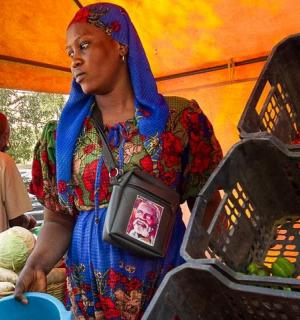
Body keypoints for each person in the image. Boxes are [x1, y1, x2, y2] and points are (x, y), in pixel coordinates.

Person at [14, 3, 222, 319]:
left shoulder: (179, 120)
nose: (75, 60)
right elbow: (58, 218)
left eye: (84, 45)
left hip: (164, 286)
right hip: (90, 295)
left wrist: (199, 262)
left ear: (120, 44)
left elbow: (206, 201)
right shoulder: (62, 136)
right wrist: (36, 264)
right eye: (70, 52)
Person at [0, 112, 35, 232]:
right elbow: (16, 221)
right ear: (4, 136)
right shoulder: (4, 162)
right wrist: (29, 221)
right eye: (7, 133)